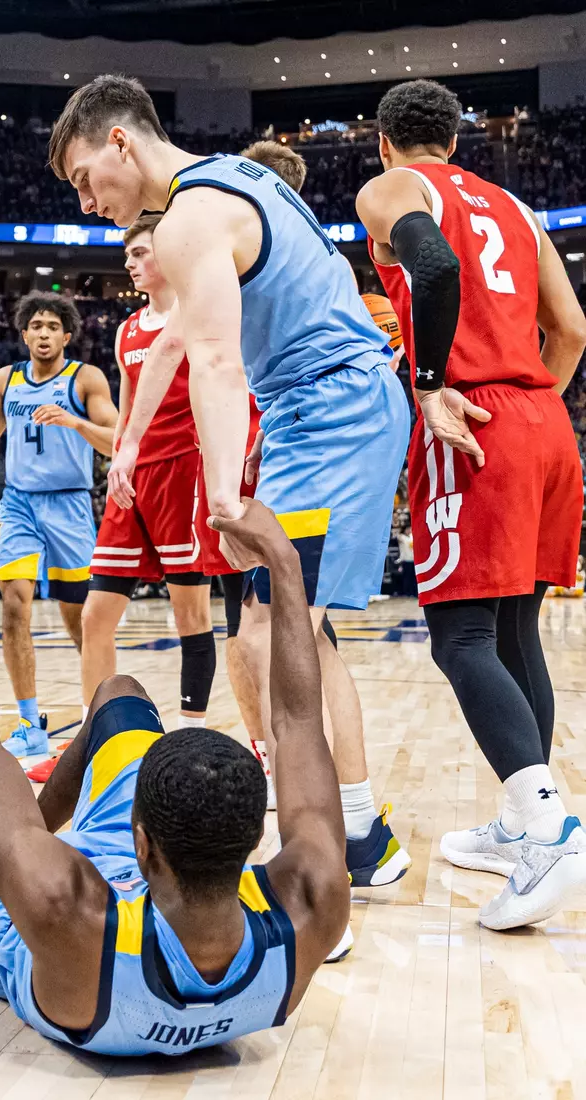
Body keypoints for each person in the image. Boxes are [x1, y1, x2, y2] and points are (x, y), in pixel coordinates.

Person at [0, 499, 350, 1054]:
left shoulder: (64, 911)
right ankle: (27, 836)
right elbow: (300, 723)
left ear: (141, 839)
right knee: (119, 694)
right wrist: (282, 558)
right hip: (125, 884)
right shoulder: (309, 903)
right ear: (255, 839)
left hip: (39, 923)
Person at [50, 76, 412, 895]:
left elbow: (217, 359)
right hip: (330, 405)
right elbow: (184, 337)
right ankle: (357, 833)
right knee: (299, 632)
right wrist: (134, 444)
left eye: (83, 180)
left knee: (265, 633)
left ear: (120, 143)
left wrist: (222, 499)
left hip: (329, 410)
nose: (85, 202)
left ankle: (318, 857)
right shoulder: (232, 180)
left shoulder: (188, 218)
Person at [358, 79, 586, 930]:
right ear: (456, 140)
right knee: (516, 628)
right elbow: (570, 331)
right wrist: (533, 407)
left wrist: (432, 387)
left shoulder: (391, 189)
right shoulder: (520, 210)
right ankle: (524, 818)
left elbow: (436, 262)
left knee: (459, 638)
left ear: (387, 143)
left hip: (471, 417)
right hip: (544, 422)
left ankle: (547, 832)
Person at [83, 213, 265, 758]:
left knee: (191, 613)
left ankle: (190, 730)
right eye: (127, 258)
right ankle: (97, 739)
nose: (131, 265)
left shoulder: (200, 306)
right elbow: (125, 407)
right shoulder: (125, 331)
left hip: (185, 469)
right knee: (96, 614)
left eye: (139, 254)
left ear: (165, 253)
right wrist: (119, 456)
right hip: (134, 475)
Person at [0, 291, 118, 757]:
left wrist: (75, 423)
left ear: (67, 334)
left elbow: (117, 440)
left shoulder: (86, 379)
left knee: (78, 617)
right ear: (24, 334)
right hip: (19, 503)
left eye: (52, 326)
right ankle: (28, 721)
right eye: (36, 326)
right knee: (14, 605)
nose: (43, 333)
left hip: (70, 504)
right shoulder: (8, 379)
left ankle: (98, 715)